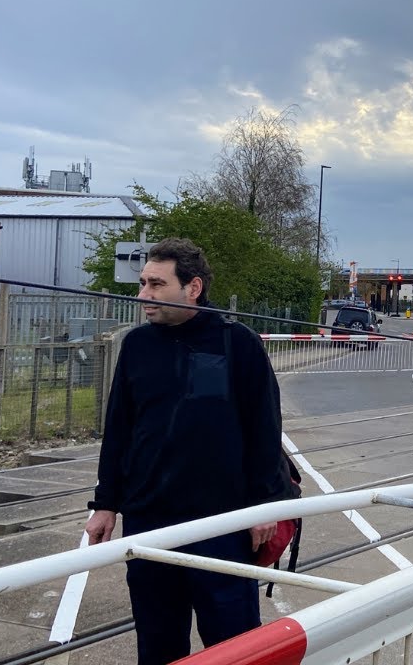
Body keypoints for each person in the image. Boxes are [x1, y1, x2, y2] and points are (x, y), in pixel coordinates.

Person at [84, 237, 298, 665]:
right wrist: (105, 503)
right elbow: (120, 429)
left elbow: (264, 431)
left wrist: (263, 508)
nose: (143, 295)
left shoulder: (238, 344)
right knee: (158, 643)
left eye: (156, 285)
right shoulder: (136, 346)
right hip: (149, 521)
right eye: (143, 283)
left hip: (222, 524)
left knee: (233, 645)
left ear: (193, 288)